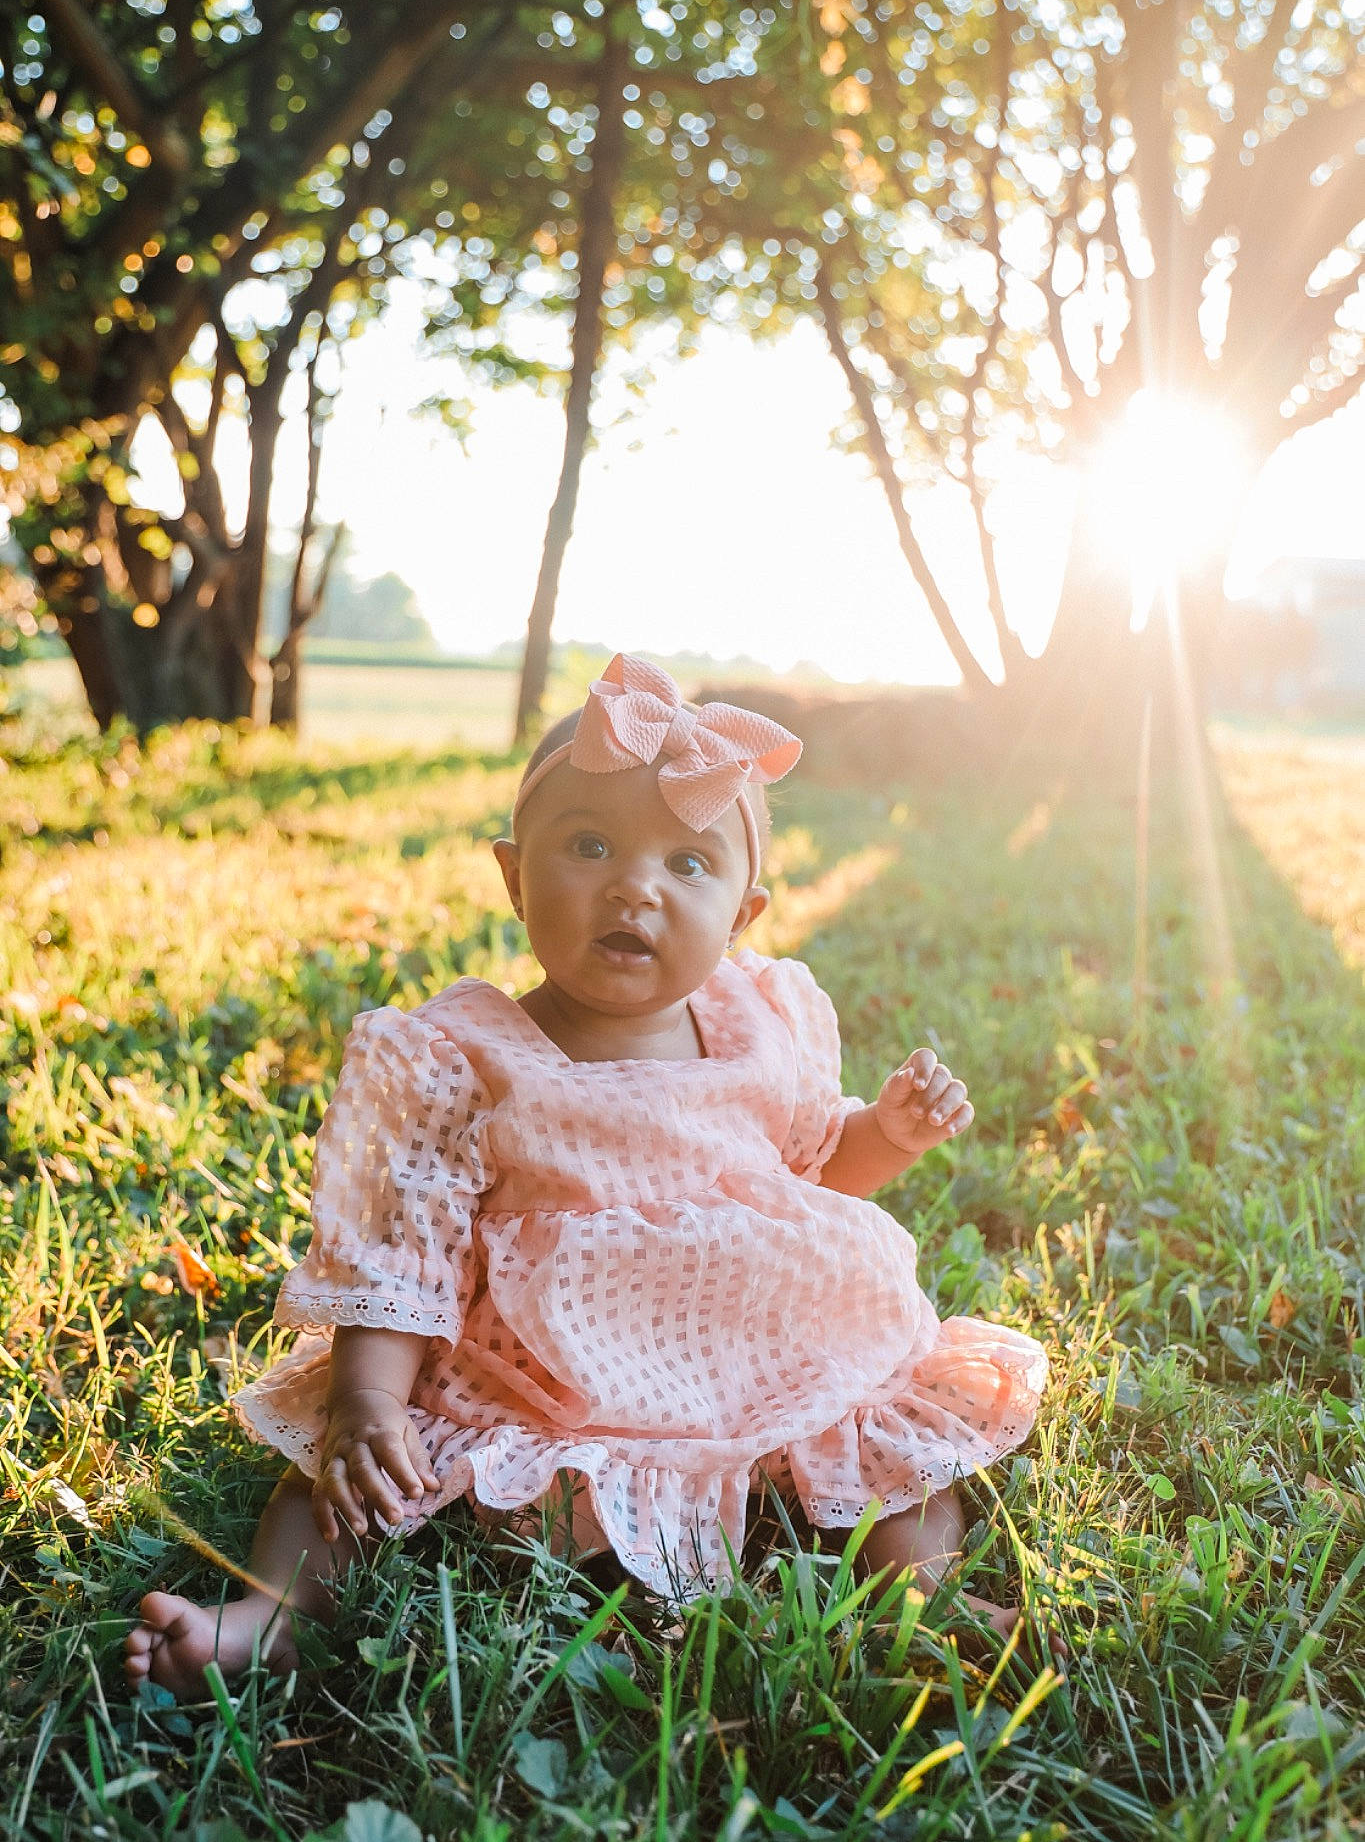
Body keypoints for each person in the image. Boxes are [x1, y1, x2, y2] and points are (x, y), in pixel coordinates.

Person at [126, 653, 1048, 1697]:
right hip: (547, 1372)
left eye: (688, 863)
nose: (634, 886)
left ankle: (922, 1598)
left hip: (761, 1344)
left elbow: (813, 1165)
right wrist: (366, 1399)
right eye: (590, 845)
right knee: (351, 1467)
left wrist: (887, 1131)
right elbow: (398, 1262)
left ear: (744, 914)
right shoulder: (458, 1057)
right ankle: (274, 1612)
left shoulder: (761, 1021)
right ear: (513, 876)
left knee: (881, 1437)